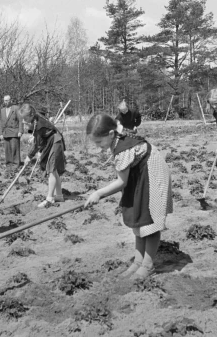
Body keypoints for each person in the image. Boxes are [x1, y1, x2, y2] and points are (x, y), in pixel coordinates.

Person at [85, 113, 173, 279]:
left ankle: (148, 264)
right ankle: (138, 262)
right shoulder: (117, 139)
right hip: (139, 174)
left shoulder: (123, 148)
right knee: (137, 217)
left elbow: (121, 182)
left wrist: (99, 193)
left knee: (149, 220)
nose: (98, 147)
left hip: (152, 174)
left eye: (99, 142)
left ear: (111, 134)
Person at [19, 103, 66, 208]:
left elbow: (37, 144)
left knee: (51, 170)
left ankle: (49, 199)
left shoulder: (39, 125)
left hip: (55, 141)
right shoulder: (35, 120)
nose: (23, 121)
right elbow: (38, 140)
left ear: (30, 115)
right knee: (54, 170)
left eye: (24, 118)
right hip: (52, 140)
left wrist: (29, 156)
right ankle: (59, 196)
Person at [0, 95, 23, 174]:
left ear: (10, 100)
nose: (6, 102)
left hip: (14, 131)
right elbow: (2, 122)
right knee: (7, 149)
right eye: (4, 100)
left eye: (7, 100)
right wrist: (0, 133)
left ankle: (16, 164)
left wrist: (20, 131)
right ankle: (9, 163)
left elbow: (20, 120)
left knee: (14, 149)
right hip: (6, 132)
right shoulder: (2, 110)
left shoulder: (16, 108)